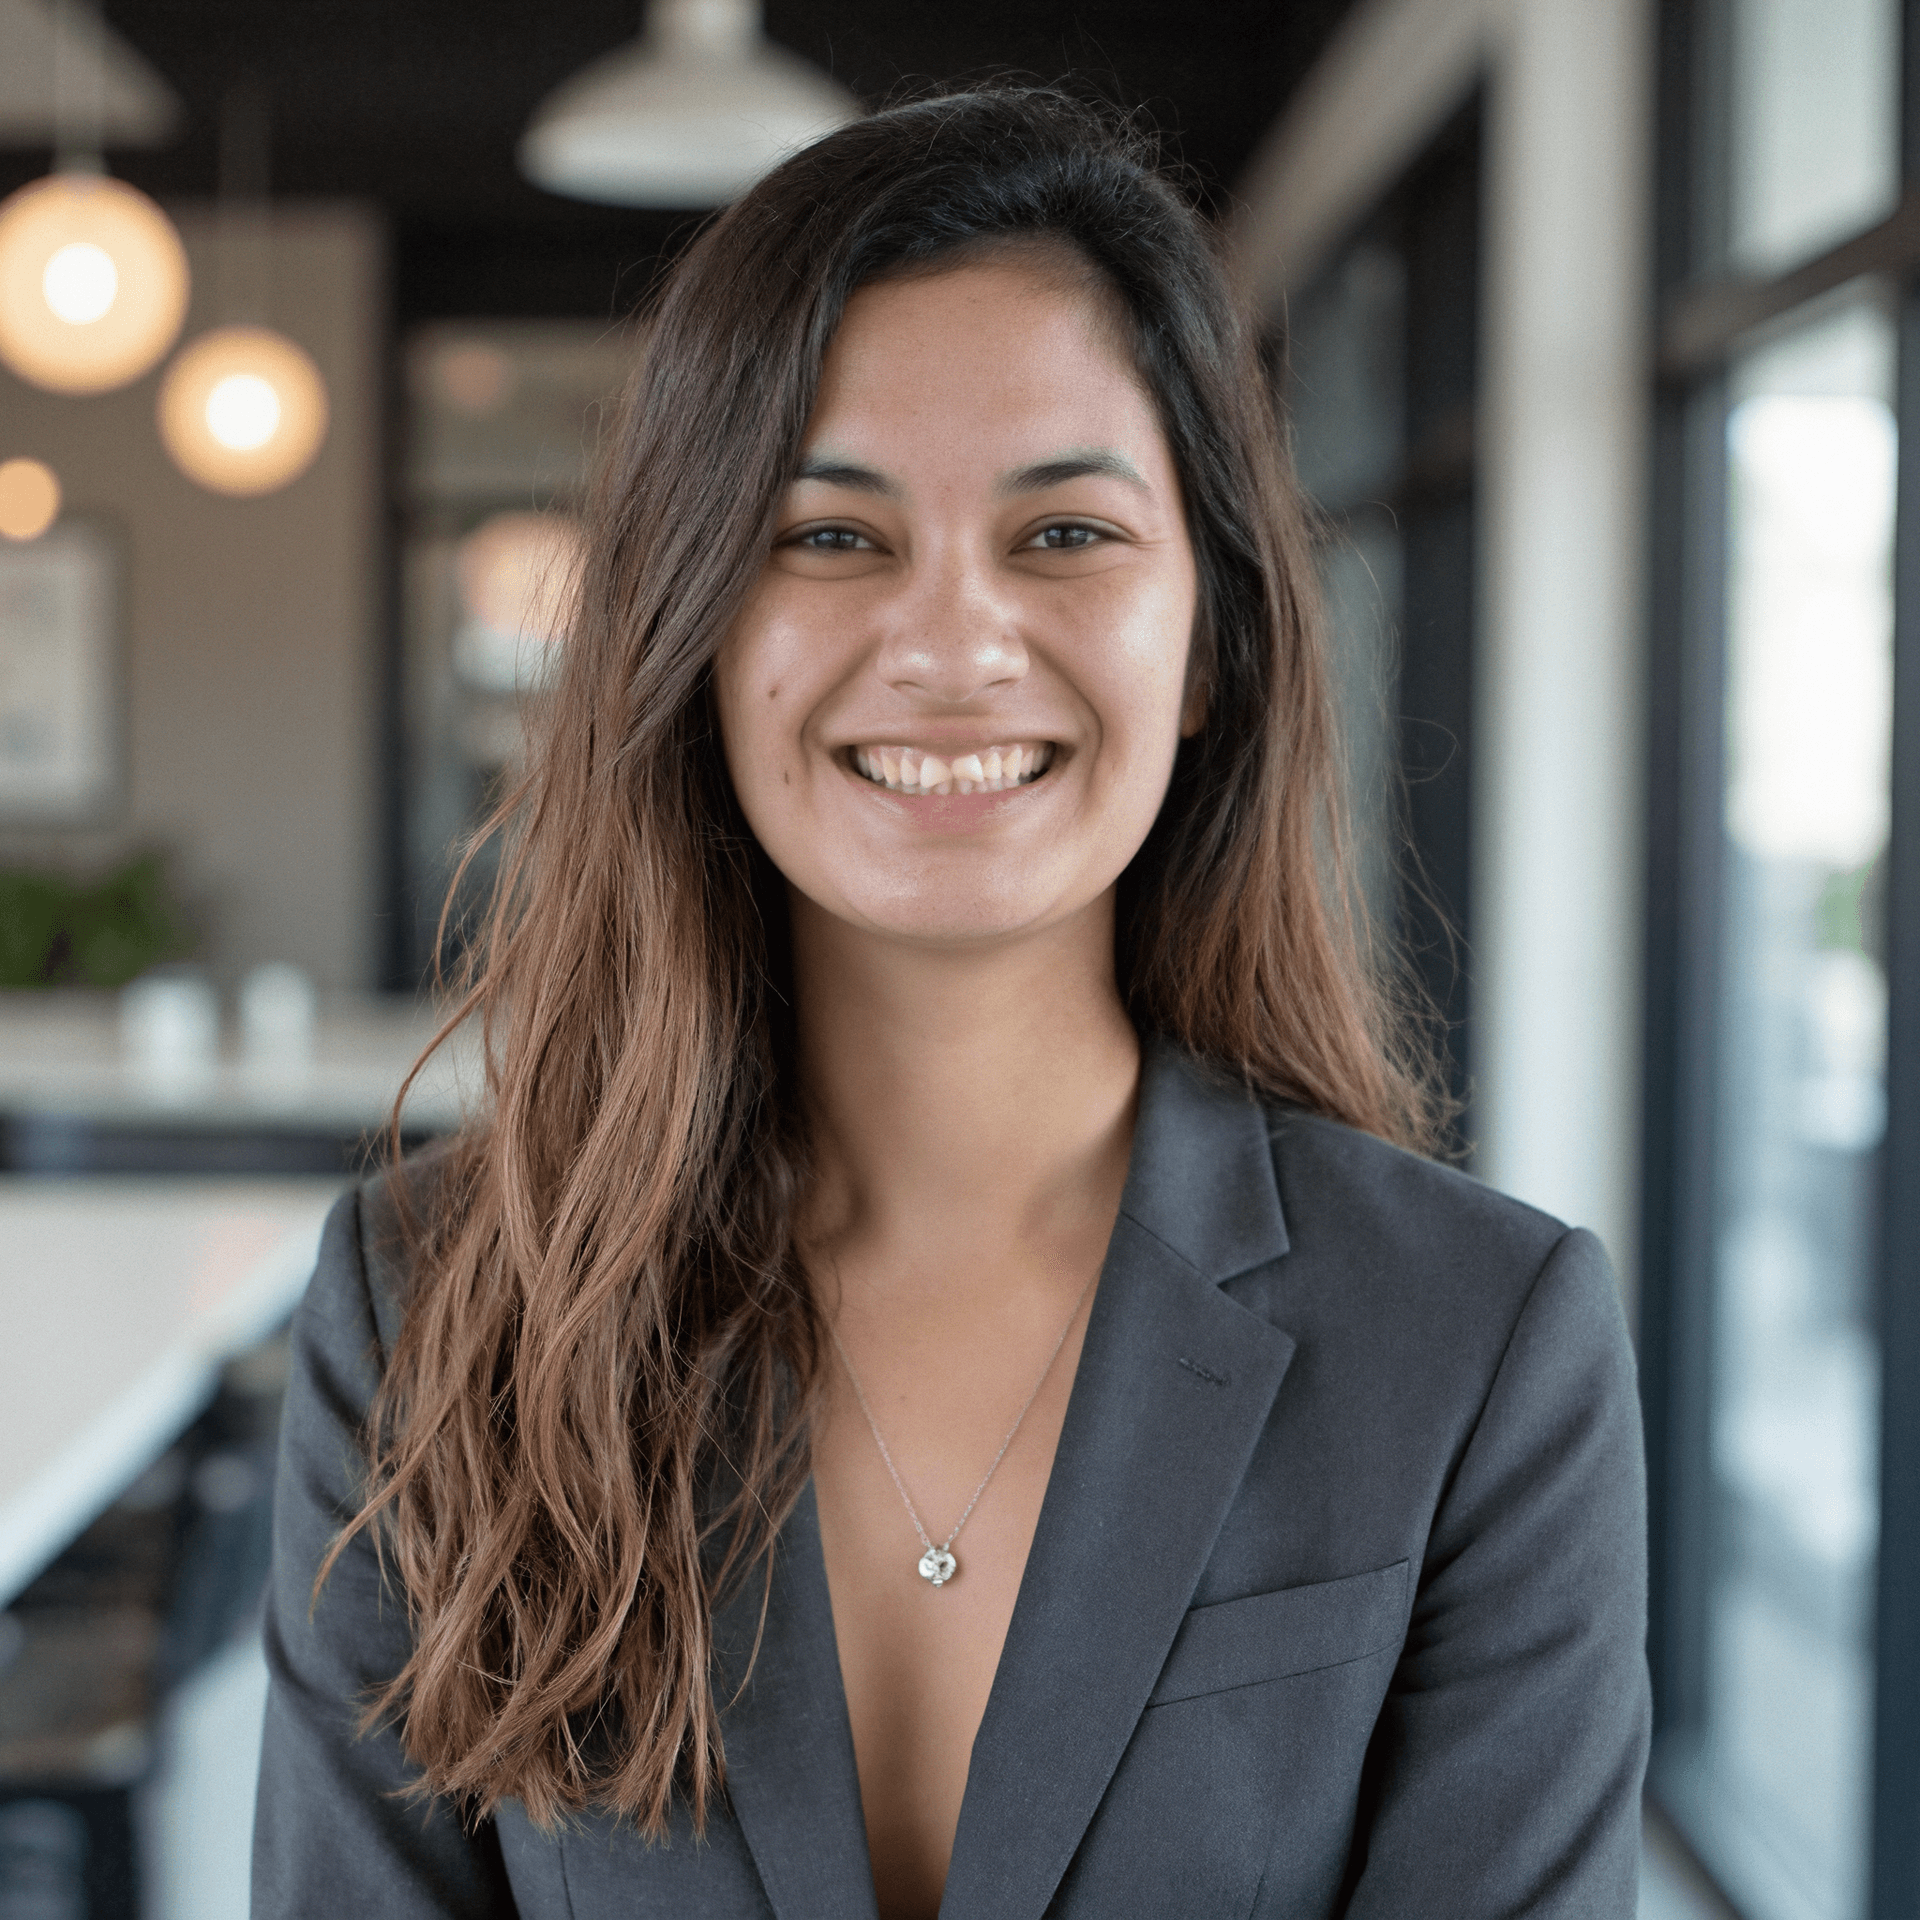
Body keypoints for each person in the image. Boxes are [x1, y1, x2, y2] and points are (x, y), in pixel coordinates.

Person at [252, 86, 1650, 1920]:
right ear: (691, 634)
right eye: (830, 538)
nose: (951, 642)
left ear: (1213, 638)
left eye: (1064, 535)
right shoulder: (434, 1307)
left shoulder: (1479, 1339)